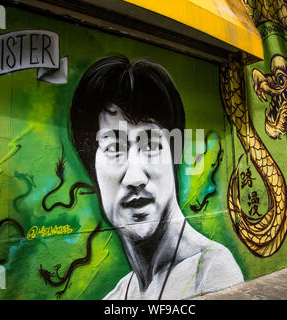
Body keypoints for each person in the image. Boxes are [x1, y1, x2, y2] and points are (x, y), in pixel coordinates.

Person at [69, 56, 243, 300]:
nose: (135, 177)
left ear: (175, 154)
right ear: (92, 169)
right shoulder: (117, 296)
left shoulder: (211, 273)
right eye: (113, 149)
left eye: (150, 144)